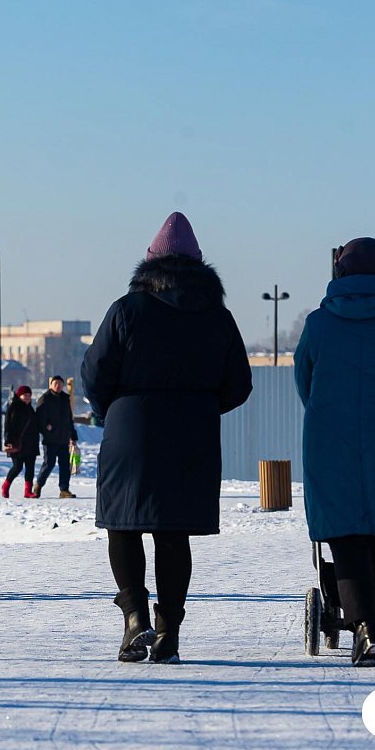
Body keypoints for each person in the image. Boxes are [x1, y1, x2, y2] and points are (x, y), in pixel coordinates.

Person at [80, 211, 251, 664]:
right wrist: (200, 407)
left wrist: (112, 410)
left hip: (130, 431)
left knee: (124, 525)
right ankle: (169, 631)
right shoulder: (218, 316)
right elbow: (239, 384)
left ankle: (135, 617)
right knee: (174, 534)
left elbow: (94, 374)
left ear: (149, 262)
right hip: (192, 436)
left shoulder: (127, 309)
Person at [295, 236, 375, 667]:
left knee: (345, 535)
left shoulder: (319, 323)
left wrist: (328, 414)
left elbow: (304, 381)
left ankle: (365, 627)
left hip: (331, 442)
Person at [33, 375, 79, 499]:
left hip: (63, 438)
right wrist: (46, 428)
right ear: (51, 385)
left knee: (65, 465)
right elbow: (39, 419)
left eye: (60, 384)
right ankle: (38, 485)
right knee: (49, 463)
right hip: (50, 438)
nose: (58, 386)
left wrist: (73, 435)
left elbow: (69, 419)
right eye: (55, 384)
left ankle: (64, 489)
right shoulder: (45, 398)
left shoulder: (65, 399)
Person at [2, 386, 40, 498]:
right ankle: (6, 485)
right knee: (17, 467)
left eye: (29, 395)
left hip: (31, 443)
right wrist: (8, 441)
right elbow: (8, 426)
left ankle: (28, 491)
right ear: (19, 396)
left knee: (30, 468)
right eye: (25, 395)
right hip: (18, 443)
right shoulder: (14, 407)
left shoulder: (30, 408)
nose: (27, 397)